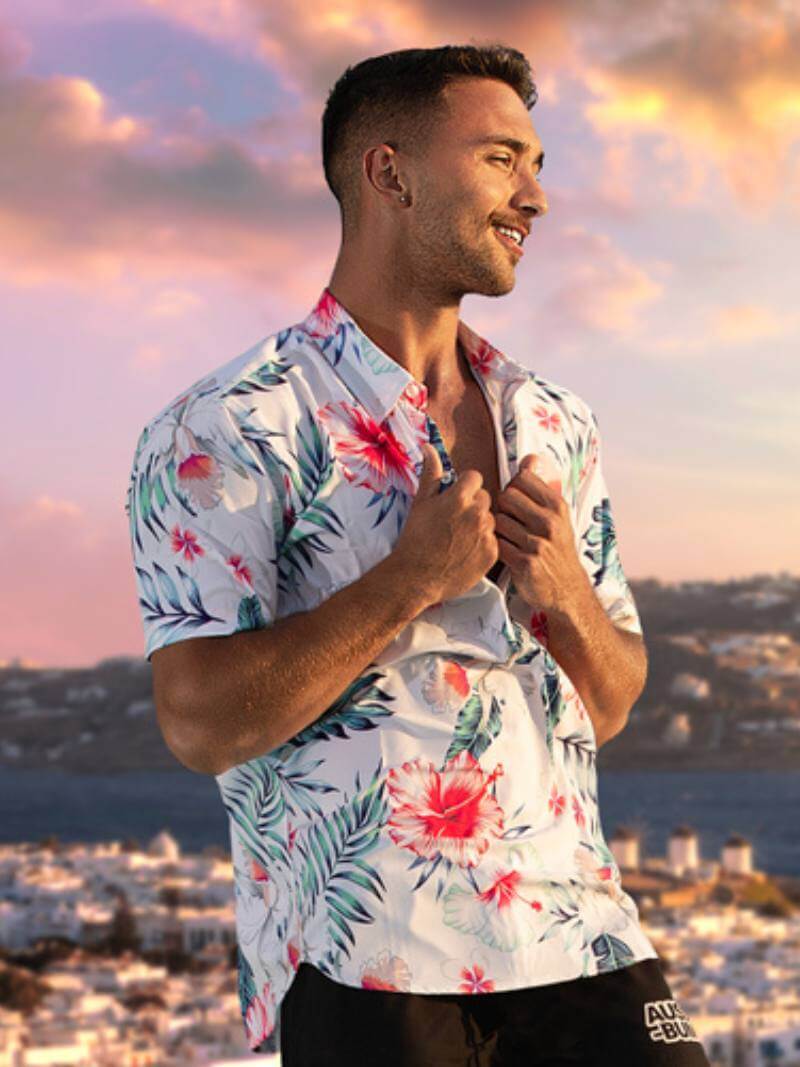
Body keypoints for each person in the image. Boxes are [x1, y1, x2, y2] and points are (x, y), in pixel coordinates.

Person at [125, 43, 711, 1067]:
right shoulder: (230, 424)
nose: (534, 196)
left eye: (535, 164)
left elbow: (611, 701)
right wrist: (408, 581)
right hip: (367, 965)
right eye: (500, 159)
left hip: (582, 936)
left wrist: (564, 591)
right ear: (387, 173)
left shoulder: (554, 420)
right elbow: (198, 721)